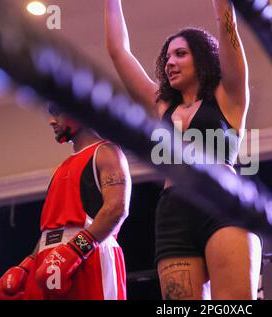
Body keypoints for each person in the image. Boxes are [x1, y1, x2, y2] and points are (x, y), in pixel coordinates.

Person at [105, 0, 262, 299]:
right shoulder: (162, 105)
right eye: (167, 57)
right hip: (173, 213)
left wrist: (222, 6)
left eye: (180, 53)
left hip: (222, 202)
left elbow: (228, 27)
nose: (169, 63)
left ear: (201, 57)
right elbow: (118, 51)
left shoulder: (229, 95)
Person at [0, 103, 131, 300]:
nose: (51, 121)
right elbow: (52, 230)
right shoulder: (60, 168)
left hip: (89, 256)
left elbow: (117, 209)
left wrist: (75, 250)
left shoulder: (106, 152)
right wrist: (27, 265)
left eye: (57, 113)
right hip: (51, 260)